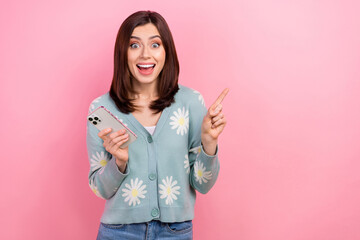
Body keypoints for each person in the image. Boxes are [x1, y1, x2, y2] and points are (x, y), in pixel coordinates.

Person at [86, 10, 228, 240]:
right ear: (122, 52)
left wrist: (209, 145)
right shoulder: (102, 109)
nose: (145, 55)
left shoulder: (190, 102)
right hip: (118, 233)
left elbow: (202, 184)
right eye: (134, 45)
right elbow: (99, 188)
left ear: (166, 51)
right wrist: (118, 163)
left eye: (155, 44)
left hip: (176, 232)